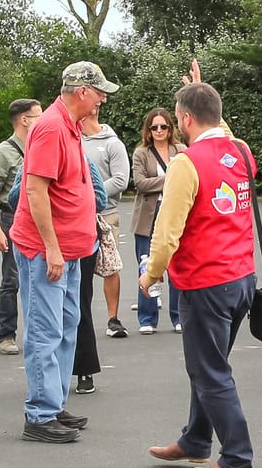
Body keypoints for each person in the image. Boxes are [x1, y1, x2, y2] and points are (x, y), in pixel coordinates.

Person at [142, 76, 261, 468]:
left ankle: (237, 458)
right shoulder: (240, 151)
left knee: (209, 371)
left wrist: (151, 272)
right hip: (241, 276)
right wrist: (202, 91)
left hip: (204, 279)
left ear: (185, 119)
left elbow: (167, 229)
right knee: (210, 364)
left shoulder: (185, 162)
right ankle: (195, 439)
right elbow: (220, 131)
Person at [11, 61, 115, 443]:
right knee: (46, 330)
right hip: (47, 253)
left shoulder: (69, 126)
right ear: (82, 91)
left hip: (71, 251)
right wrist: (52, 249)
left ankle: (52, 404)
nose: (103, 99)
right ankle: (39, 415)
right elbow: (34, 190)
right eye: (99, 92)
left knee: (67, 327)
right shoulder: (52, 127)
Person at [0, 98, 39, 355]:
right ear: (24, 120)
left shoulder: (40, 146)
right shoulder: (2, 153)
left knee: (39, 278)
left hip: (38, 218)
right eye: (38, 115)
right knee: (12, 279)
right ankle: (6, 334)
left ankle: (37, 333)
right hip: (12, 217)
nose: (43, 119)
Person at [71, 117, 118, 395]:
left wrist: (70, 203)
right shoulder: (34, 160)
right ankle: (58, 373)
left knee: (79, 305)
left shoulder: (84, 162)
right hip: (50, 242)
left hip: (81, 241)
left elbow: (100, 199)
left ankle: (84, 369)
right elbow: (17, 196)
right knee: (57, 309)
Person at [129, 108, 182, 334]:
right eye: (154, 127)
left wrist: (160, 181)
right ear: (148, 130)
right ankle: (147, 318)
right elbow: (140, 183)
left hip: (175, 213)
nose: (159, 131)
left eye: (163, 126)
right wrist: (171, 179)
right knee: (146, 264)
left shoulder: (181, 150)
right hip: (147, 216)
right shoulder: (141, 153)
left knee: (178, 266)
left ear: (170, 128)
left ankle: (179, 316)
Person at [84, 109, 131, 338]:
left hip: (107, 214)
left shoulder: (113, 143)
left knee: (110, 268)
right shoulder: (72, 141)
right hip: (77, 216)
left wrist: (89, 193)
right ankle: (80, 320)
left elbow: (121, 180)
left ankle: (113, 319)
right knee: (79, 270)